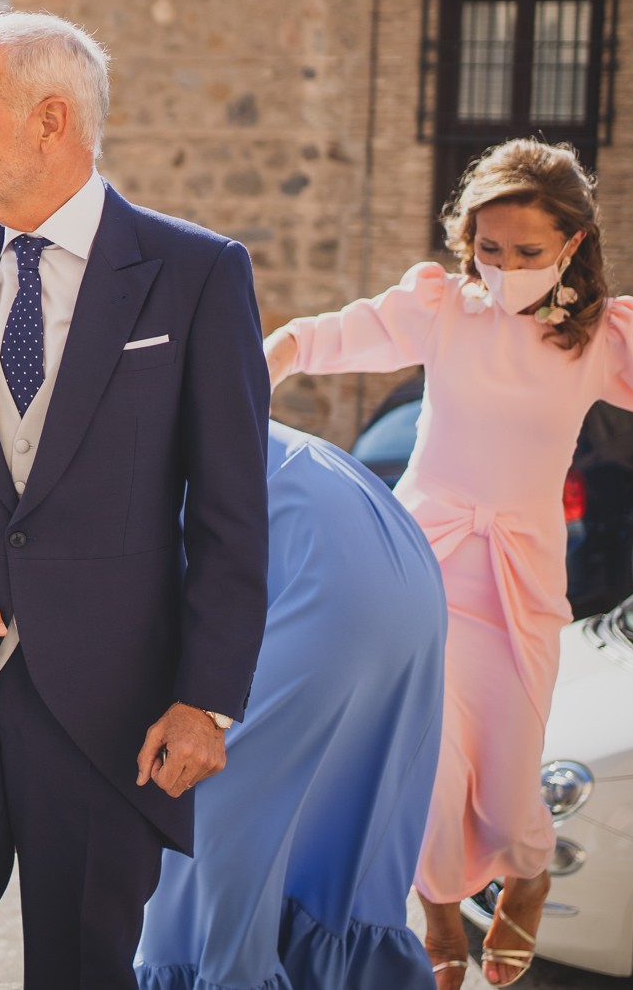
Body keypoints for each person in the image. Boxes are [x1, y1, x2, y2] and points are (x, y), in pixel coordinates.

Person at [263, 139, 633, 989]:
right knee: (423, 760)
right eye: (488, 247)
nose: (502, 266)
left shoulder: (603, 338)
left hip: (520, 573)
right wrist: (273, 355)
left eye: (527, 252)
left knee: (510, 769)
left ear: (573, 245)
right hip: (420, 560)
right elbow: (330, 336)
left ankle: (531, 874)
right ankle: (437, 904)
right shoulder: (440, 306)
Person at [0, 12, 272, 990]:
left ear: (49, 121)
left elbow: (229, 509)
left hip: (107, 713)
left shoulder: (196, 274)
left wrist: (204, 698)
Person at [135, 422, 446, 990]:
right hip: (398, 564)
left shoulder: (97, 430)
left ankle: (230, 972)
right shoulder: (209, 404)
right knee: (337, 828)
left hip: (326, 580)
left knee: (199, 822)